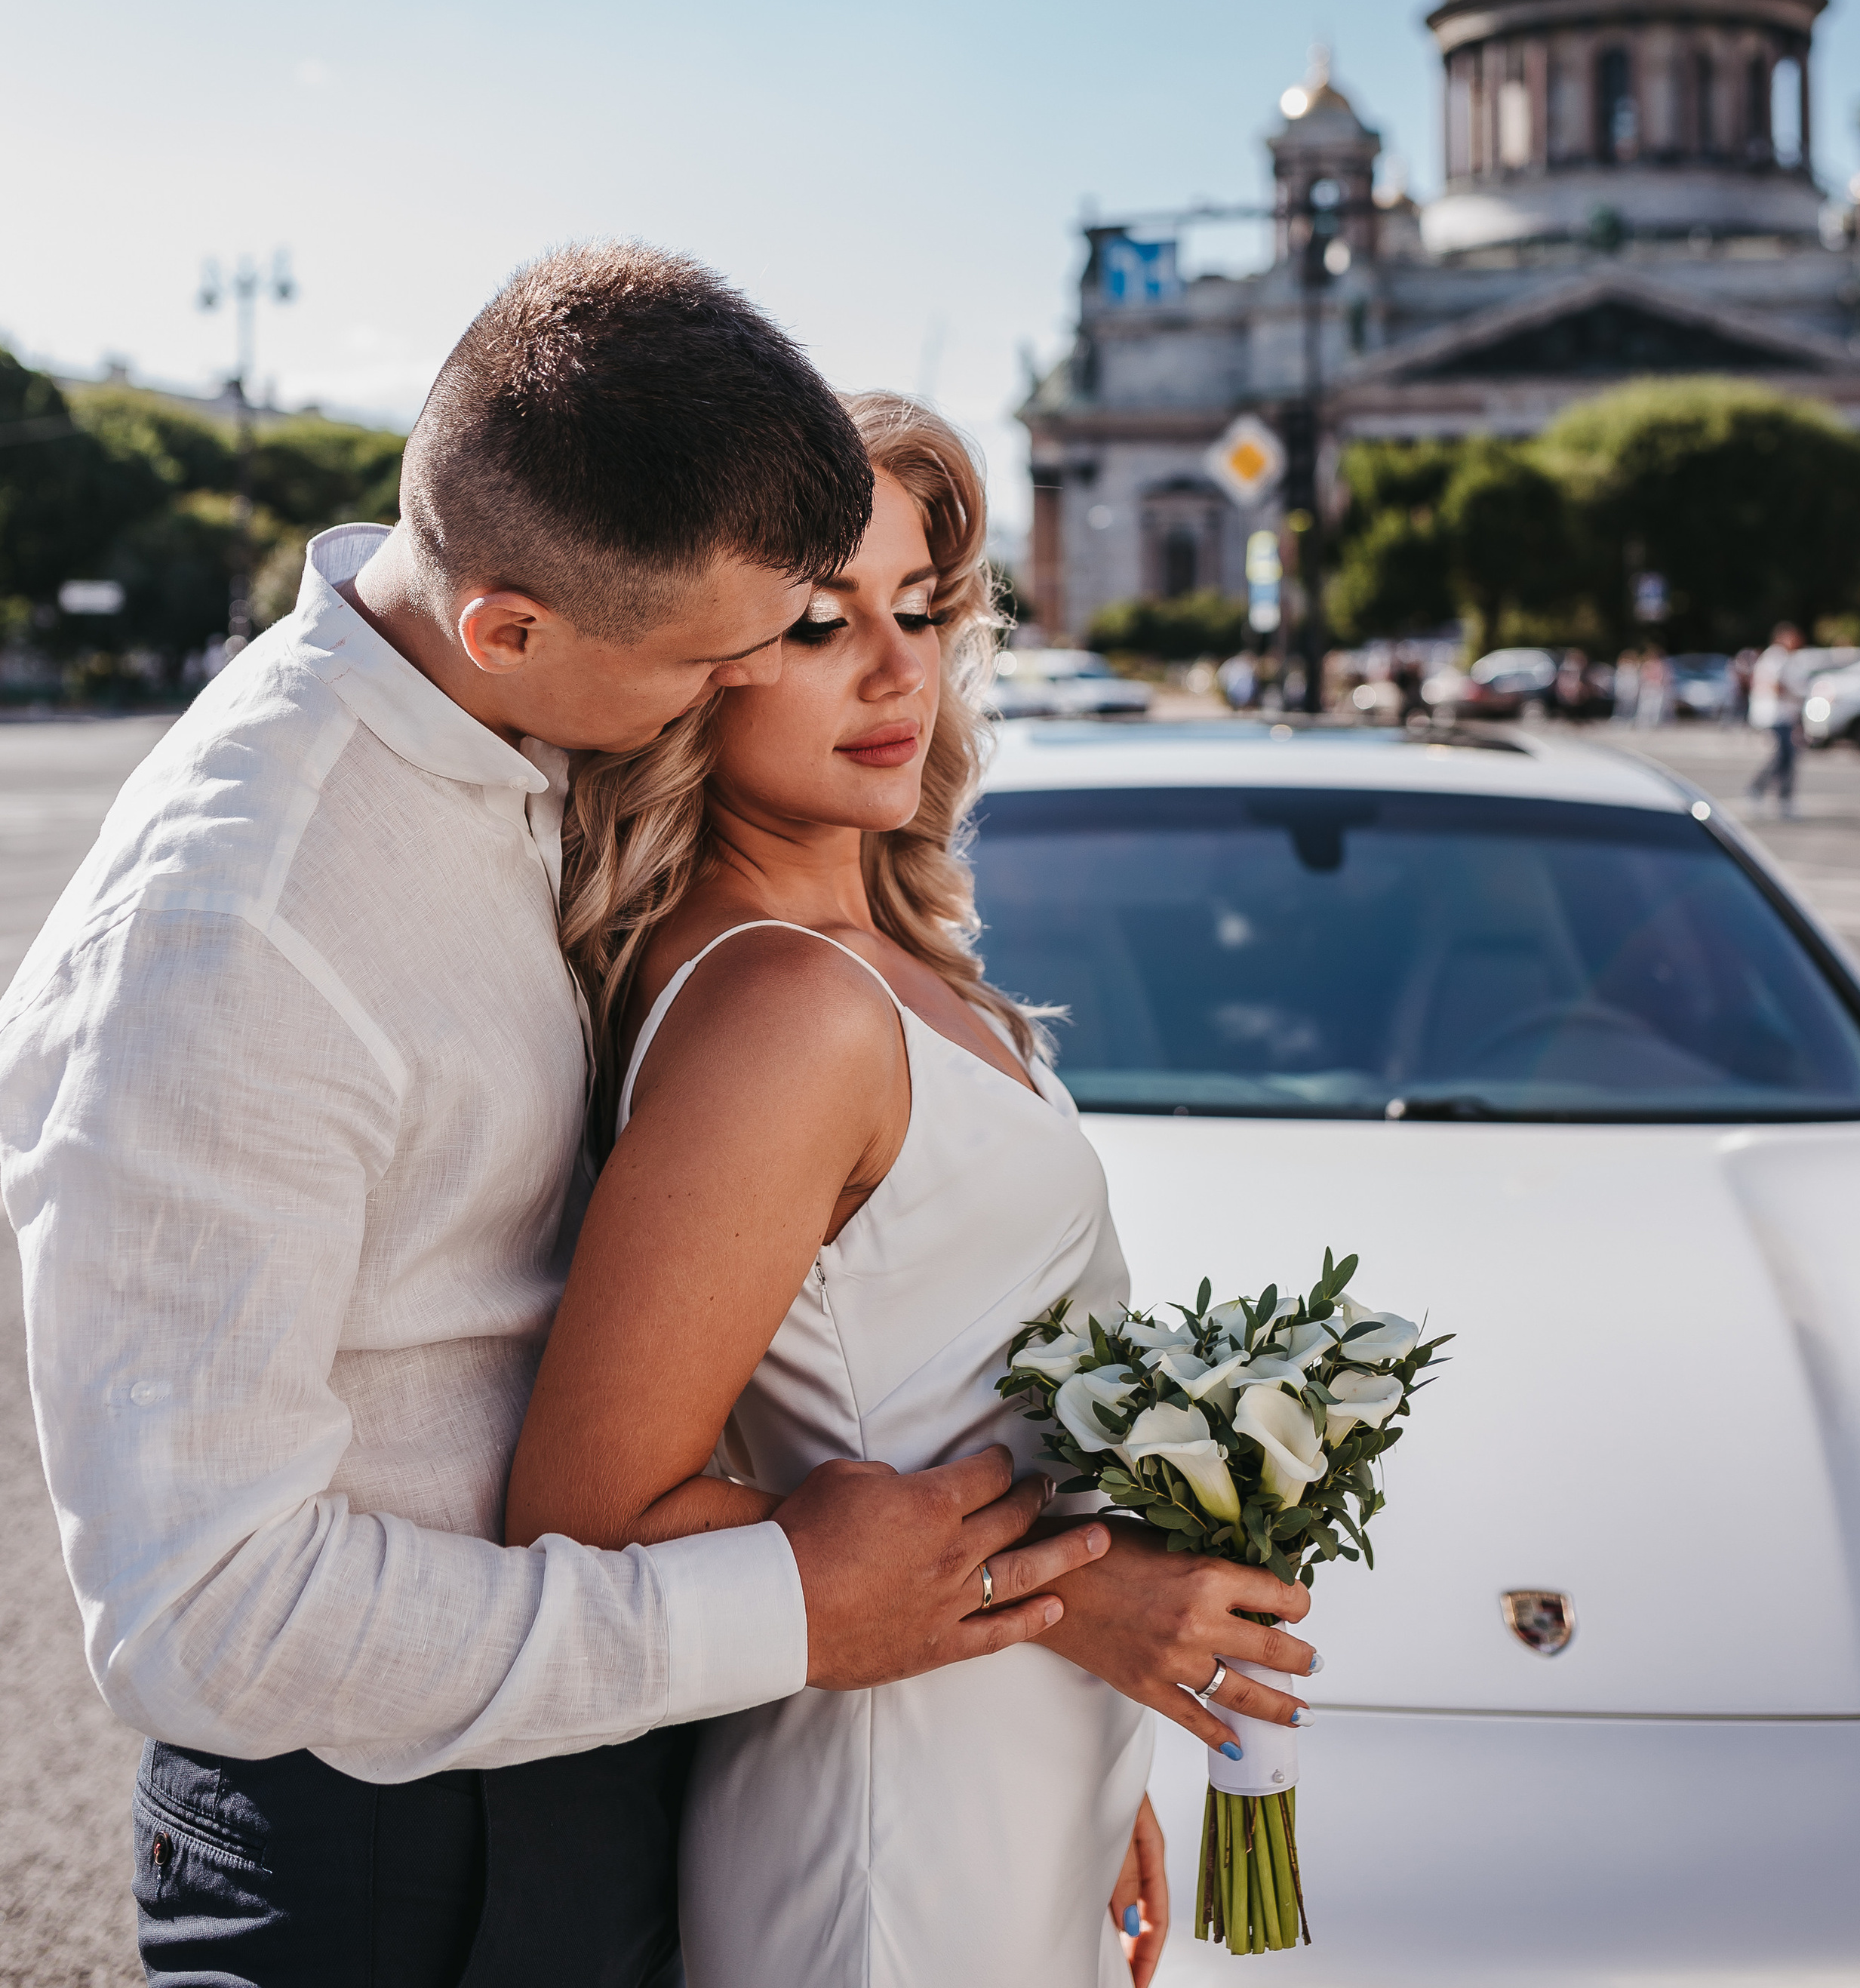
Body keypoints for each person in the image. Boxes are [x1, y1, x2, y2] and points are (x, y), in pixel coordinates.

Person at [0, 251, 1121, 1988]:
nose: (760, 680)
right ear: (509, 625)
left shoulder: (512, 716)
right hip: (387, 1857)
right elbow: (206, 1618)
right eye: (721, 655)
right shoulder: (237, 934)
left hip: (636, 1757)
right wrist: (796, 1603)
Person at [508, 395, 1317, 1987]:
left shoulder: (894, 962)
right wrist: (1076, 1614)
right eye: (820, 624)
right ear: (699, 661)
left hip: (998, 1769)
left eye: (920, 607)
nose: (896, 669)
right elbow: (584, 1518)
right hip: (881, 1831)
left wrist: (1082, 1746)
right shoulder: (781, 1012)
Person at [1747, 622, 1806, 811]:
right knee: (1782, 756)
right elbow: (1772, 683)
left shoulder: (1787, 658)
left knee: (1787, 757)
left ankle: (1779, 797)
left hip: (1784, 716)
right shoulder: (1776, 656)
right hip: (1773, 716)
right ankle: (1763, 792)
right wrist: (1794, 694)